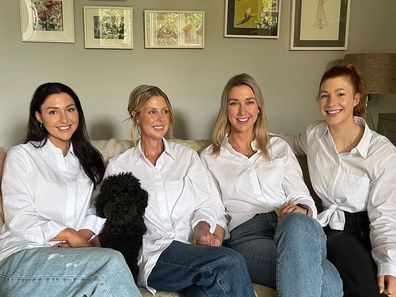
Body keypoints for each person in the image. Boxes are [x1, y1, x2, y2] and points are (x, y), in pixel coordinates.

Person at [104, 84, 255, 297]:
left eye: (165, 111)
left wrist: (203, 229)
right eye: (152, 112)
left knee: (205, 292)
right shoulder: (119, 166)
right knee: (230, 259)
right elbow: (104, 214)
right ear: (136, 116)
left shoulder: (188, 158)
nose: (161, 118)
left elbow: (208, 203)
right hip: (154, 255)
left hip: (193, 251)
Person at [200, 73, 343, 297]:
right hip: (249, 236)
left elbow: (301, 195)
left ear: (259, 108)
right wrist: (214, 238)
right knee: (330, 280)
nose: (242, 111)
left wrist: (301, 209)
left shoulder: (279, 146)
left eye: (249, 102)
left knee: (297, 223)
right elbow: (216, 212)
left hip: (292, 226)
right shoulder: (210, 157)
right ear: (225, 109)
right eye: (234, 103)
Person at [0, 82, 141, 297]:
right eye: (53, 112)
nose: (65, 119)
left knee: (106, 270)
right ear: (39, 117)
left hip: (72, 255)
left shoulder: (89, 159)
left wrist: (79, 240)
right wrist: (68, 234)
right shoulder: (22, 156)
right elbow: (19, 217)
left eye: (70, 109)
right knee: (110, 261)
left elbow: (95, 209)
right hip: (21, 256)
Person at [283, 65, 396, 297]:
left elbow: (384, 216)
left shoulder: (382, 152)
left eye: (340, 94)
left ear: (356, 98)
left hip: (371, 227)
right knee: (366, 288)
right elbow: (287, 143)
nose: (331, 102)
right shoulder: (314, 134)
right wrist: (250, 131)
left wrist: (388, 264)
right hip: (333, 231)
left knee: (385, 286)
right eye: (325, 95)